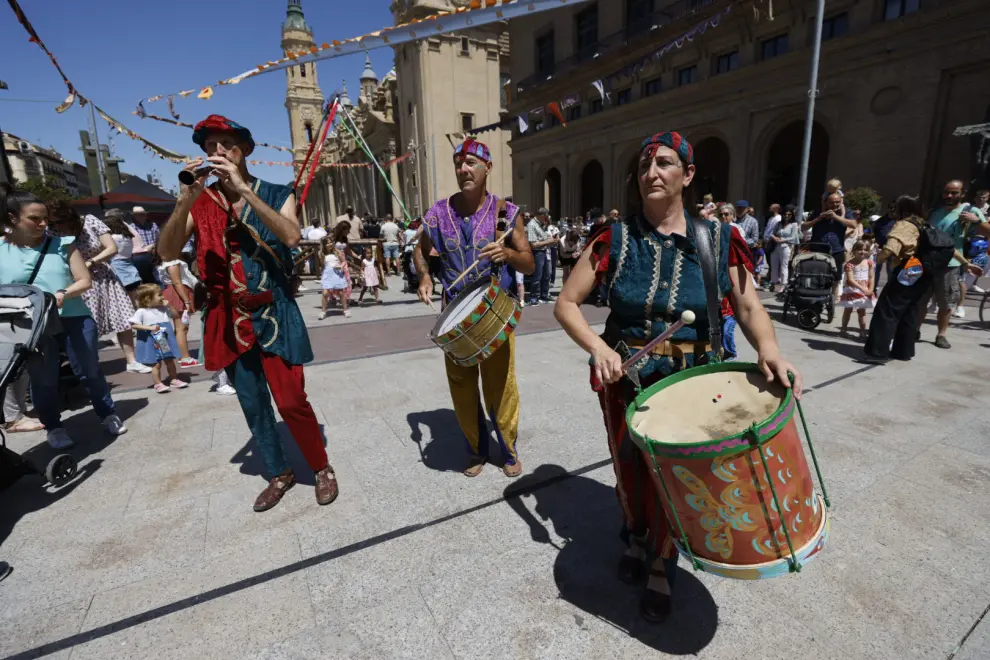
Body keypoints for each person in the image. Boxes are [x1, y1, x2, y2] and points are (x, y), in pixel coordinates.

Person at [554, 131, 800, 623]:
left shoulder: (719, 239)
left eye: (664, 163)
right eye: (645, 165)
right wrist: (599, 347)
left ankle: (662, 563)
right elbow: (566, 303)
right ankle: (636, 536)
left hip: (692, 380)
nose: (651, 173)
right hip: (628, 376)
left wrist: (769, 348)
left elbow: (749, 304)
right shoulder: (615, 238)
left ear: (687, 176)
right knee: (629, 469)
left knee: (674, 476)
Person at [159, 114, 338, 512]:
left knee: (291, 400)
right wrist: (183, 202)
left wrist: (244, 190)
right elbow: (167, 252)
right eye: (209, 148)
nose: (217, 153)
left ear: (245, 151)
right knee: (252, 402)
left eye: (226, 145)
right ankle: (279, 472)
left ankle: (320, 467)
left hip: (274, 313)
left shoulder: (276, 192)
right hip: (228, 317)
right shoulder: (199, 202)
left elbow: (291, 236)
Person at [415, 138, 535, 477]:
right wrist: (424, 277)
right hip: (454, 314)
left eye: (471, 162)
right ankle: (475, 448)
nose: (463, 169)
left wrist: (509, 254)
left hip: (494, 315)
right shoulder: (438, 213)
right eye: (458, 163)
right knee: (462, 386)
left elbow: (529, 264)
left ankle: (508, 448)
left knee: (501, 385)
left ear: (488, 168)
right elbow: (421, 251)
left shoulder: (507, 214)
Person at [0, 188, 127, 447]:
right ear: (13, 219)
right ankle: (53, 426)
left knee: (89, 370)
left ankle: (107, 412)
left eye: (45, 218)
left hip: (74, 316)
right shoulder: (1, 250)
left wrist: (61, 293)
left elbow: (84, 280)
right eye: (35, 218)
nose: (44, 223)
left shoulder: (63, 243)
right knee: (42, 377)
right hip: (31, 324)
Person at [864, 195, 980, 363]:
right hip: (924, 272)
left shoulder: (904, 225)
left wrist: (876, 260)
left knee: (887, 310)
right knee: (911, 310)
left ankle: (877, 353)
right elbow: (948, 247)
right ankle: (903, 352)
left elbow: (891, 248)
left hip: (907, 269)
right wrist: (966, 264)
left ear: (900, 208)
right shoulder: (923, 224)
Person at [48, 203, 144, 374]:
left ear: (70, 217)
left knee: (123, 319)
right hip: (78, 282)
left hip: (104, 276)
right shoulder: (54, 232)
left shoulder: (90, 221)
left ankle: (132, 360)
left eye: (59, 221)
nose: (56, 226)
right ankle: (91, 365)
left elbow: (112, 248)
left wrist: (90, 262)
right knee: (88, 325)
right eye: (52, 223)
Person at [918, 180, 989, 345]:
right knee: (921, 300)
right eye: (946, 192)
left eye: (954, 193)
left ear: (962, 194)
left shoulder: (971, 211)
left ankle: (941, 335)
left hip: (951, 265)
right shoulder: (934, 212)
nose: (949, 196)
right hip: (928, 263)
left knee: (946, 302)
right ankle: (915, 330)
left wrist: (976, 221)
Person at [129, 284, 189, 393]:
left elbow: (175, 316)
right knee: (156, 363)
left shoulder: (163, 309)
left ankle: (174, 379)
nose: (162, 297)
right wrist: (149, 327)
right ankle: (158, 383)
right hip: (152, 340)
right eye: (159, 295)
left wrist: (170, 306)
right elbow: (133, 325)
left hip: (163, 339)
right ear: (148, 298)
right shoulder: (141, 312)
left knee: (169, 360)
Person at [802, 193, 859, 299]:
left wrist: (836, 217)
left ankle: (833, 299)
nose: (835, 204)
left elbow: (854, 224)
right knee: (816, 274)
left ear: (841, 201)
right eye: (832, 202)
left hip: (836, 250)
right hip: (818, 249)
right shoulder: (819, 211)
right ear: (826, 203)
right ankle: (816, 296)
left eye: (837, 202)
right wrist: (818, 219)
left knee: (836, 277)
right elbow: (803, 227)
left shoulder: (846, 212)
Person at [157, 255, 202, 368]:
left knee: (180, 328)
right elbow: (177, 283)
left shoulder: (168, 262)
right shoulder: (172, 263)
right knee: (181, 328)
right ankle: (185, 358)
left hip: (175, 293)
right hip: (178, 294)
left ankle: (183, 355)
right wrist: (186, 301)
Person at [102, 208, 145, 298]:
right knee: (137, 295)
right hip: (129, 265)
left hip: (118, 268)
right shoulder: (127, 237)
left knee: (126, 296)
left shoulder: (113, 238)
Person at [838, 241, 876, 339]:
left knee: (862, 311)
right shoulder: (850, 264)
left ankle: (862, 331)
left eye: (865, 249)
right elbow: (850, 279)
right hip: (852, 289)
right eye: (859, 249)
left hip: (865, 290)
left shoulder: (869, 263)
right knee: (848, 309)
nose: (862, 252)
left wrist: (870, 289)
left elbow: (871, 277)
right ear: (854, 251)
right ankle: (843, 329)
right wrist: (862, 288)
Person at [525, 207, 555, 305]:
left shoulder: (541, 224)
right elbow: (533, 244)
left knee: (547, 275)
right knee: (537, 276)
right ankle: (533, 297)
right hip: (537, 253)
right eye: (545, 217)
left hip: (544, 251)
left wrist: (550, 239)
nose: (546, 219)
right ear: (541, 215)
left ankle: (544, 295)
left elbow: (544, 237)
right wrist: (548, 241)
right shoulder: (532, 225)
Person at [770, 205, 800, 292]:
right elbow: (771, 233)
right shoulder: (779, 223)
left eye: (789, 214)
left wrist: (782, 240)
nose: (786, 216)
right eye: (785, 214)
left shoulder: (794, 224)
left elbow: (794, 237)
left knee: (784, 265)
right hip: (775, 246)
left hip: (786, 246)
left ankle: (783, 284)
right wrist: (774, 238)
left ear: (792, 215)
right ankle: (773, 282)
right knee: (774, 265)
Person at [319, 239, 351, 319]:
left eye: (330, 242)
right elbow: (323, 265)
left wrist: (341, 266)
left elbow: (344, 261)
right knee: (325, 293)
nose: (330, 244)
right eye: (327, 243)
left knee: (341, 293)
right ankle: (323, 311)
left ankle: (345, 310)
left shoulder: (337, 252)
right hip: (328, 274)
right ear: (324, 245)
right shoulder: (322, 254)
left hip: (337, 274)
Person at [129, 206, 160, 284]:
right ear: (134, 216)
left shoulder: (153, 225)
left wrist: (153, 246)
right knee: (147, 280)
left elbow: (159, 239)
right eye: (139, 214)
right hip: (140, 257)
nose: (142, 216)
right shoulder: (131, 227)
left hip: (154, 254)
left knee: (158, 277)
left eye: (143, 214)